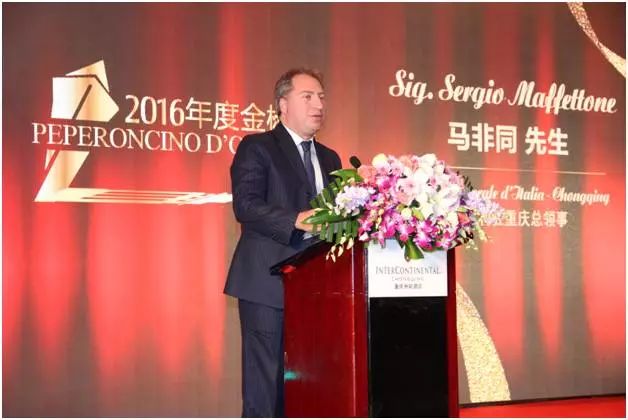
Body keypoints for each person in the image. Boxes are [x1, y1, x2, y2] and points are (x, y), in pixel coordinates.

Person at [224, 68, 342, 417]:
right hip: (267, 285)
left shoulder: (332, 158)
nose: (318, 105)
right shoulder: (258, 147)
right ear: (283, 104)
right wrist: (295, 219)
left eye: (321, 97)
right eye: (308, 97)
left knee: (308, 386)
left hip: (318, 290)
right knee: (265, 389)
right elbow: (246, 205)